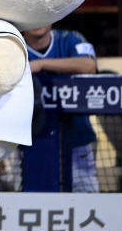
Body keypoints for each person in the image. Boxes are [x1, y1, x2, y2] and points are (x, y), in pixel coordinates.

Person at [23, 25, 99, 192]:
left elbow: (88, 66)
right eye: (33, 17)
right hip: (26, 147)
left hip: (77, 143)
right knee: (31, 204)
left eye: (43, 15)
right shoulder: (12, 44)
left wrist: (41, 64)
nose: (38, 22)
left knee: (85, 203)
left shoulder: (70, 39)